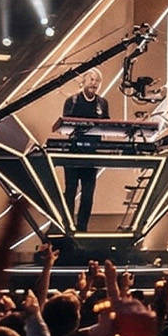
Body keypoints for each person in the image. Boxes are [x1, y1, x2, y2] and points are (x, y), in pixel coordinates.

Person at [55, 69, 108, 233]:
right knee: (70, 191)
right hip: (73, 152)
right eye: (91, 79)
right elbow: (66, 125)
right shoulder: (72, 100)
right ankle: (68, 226)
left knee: (88, 194)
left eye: (97, 81)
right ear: (84, 81)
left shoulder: (102, 103)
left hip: (92, 154)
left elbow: (106, 124)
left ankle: (82, 228)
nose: (94, 83)